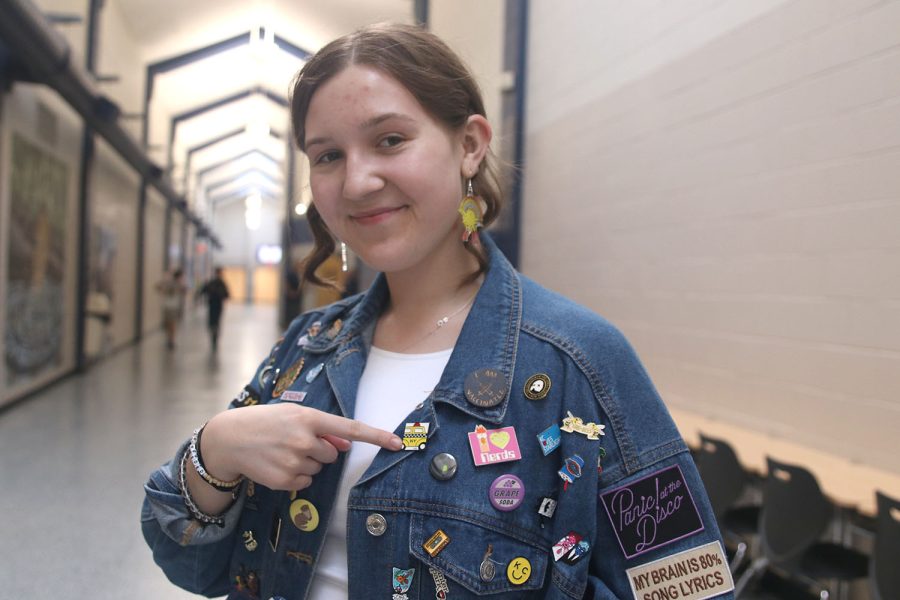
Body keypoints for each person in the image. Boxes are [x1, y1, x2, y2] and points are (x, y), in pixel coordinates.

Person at [142, 23, 734, 600]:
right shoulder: (307, 349)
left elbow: (688, 583)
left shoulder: (581, 364)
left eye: (390, 140)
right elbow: (193, 563)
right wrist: (214, 451)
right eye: (327, 156)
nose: (357, 181)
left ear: (470, 145)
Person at [198, 266, 231, 351]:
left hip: (213, 305)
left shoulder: (212, 282)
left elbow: (202, 291)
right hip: (216, 305)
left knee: (213, 321)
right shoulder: (220, 283)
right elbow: (227, 295)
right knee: (216, 321)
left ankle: (214, 336)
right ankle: (214, 337)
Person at [155, 268, 186, 349]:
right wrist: (166, 279)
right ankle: (170, 339)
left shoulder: (179, 284)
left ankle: (171, 340)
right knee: (168, 324)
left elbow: (184, 290)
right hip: (169, 306)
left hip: (172, 307)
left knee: (172, 324)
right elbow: (158, 287)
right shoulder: (170, 283)